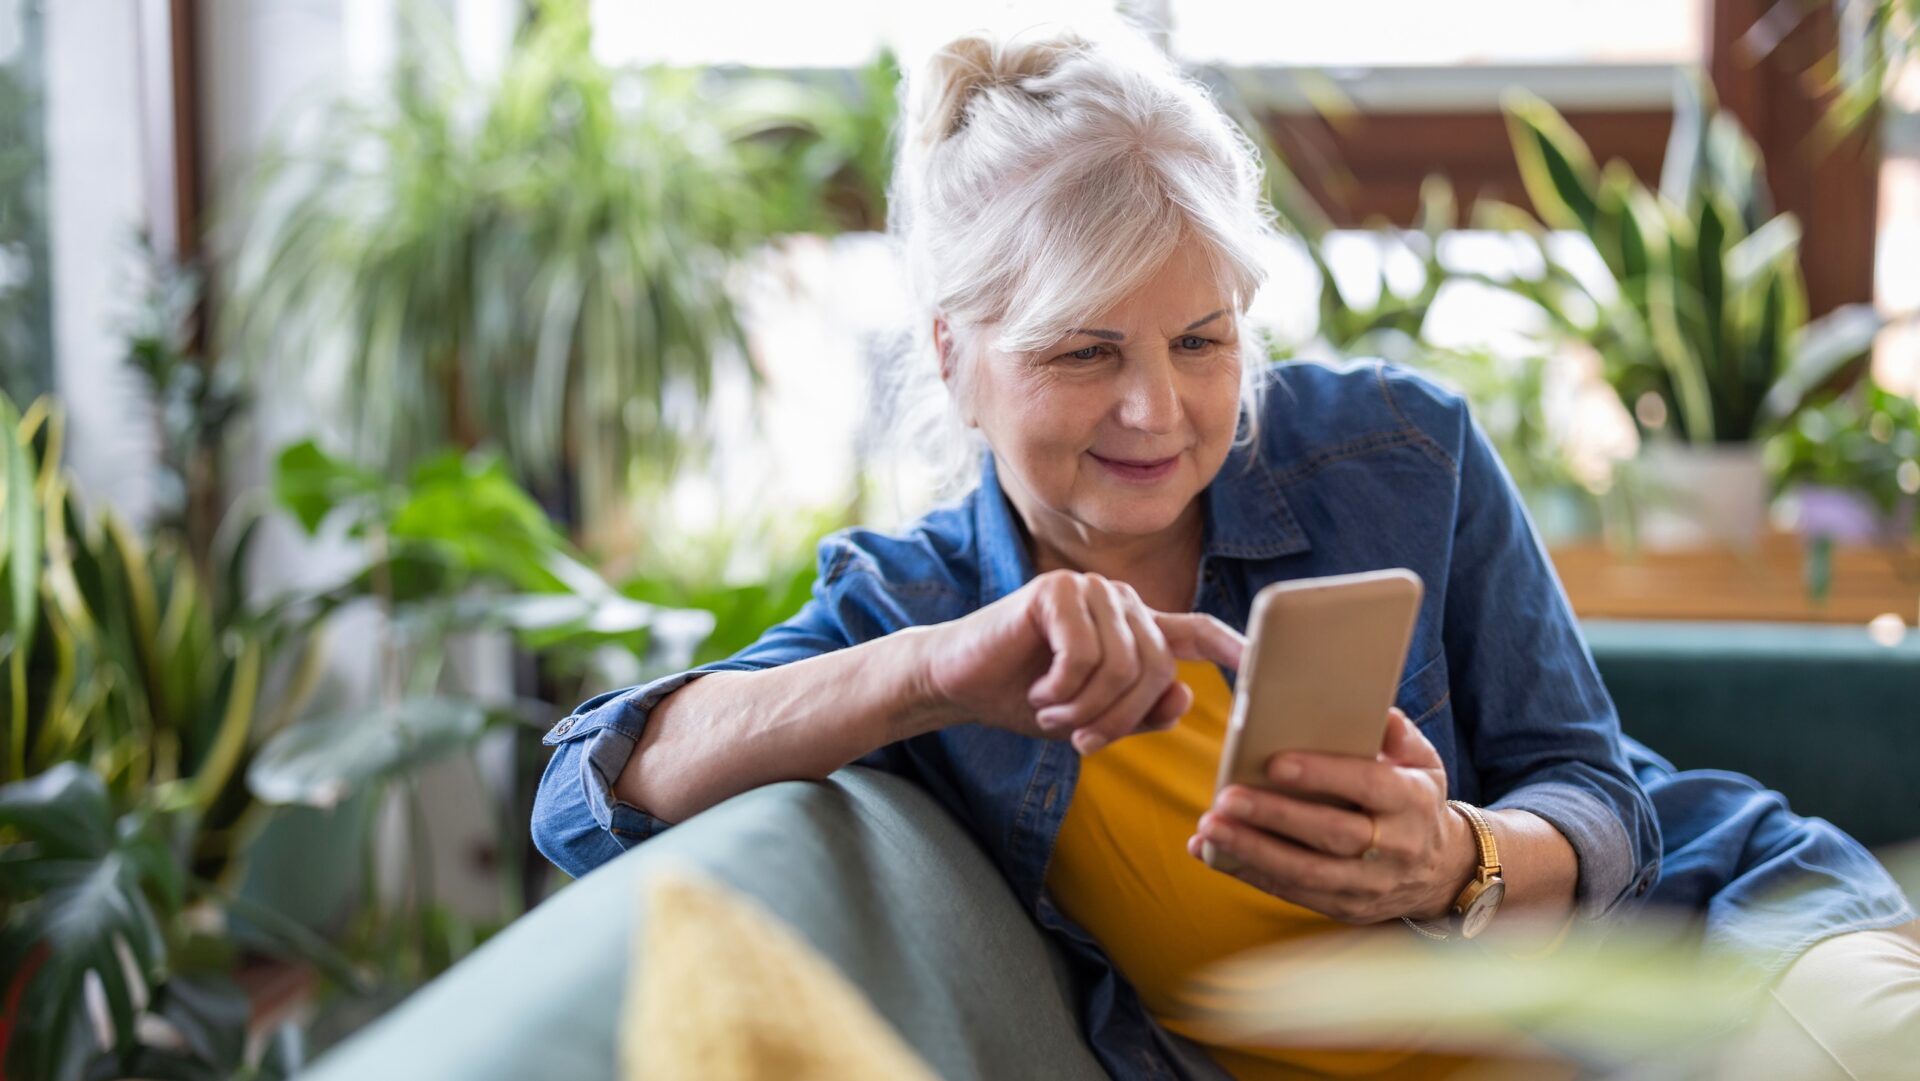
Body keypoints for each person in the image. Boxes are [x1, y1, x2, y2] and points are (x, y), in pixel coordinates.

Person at [531, 21, 1918, 1080]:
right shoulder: (929, 609)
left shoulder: (1393, 452)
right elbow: (589, 792)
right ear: (955, 356)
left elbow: (1602, 794)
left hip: (1707, 943)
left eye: (1203, 340)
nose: (1161, 408)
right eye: (1086, 350)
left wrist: (1457, 860)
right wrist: (941, 671)